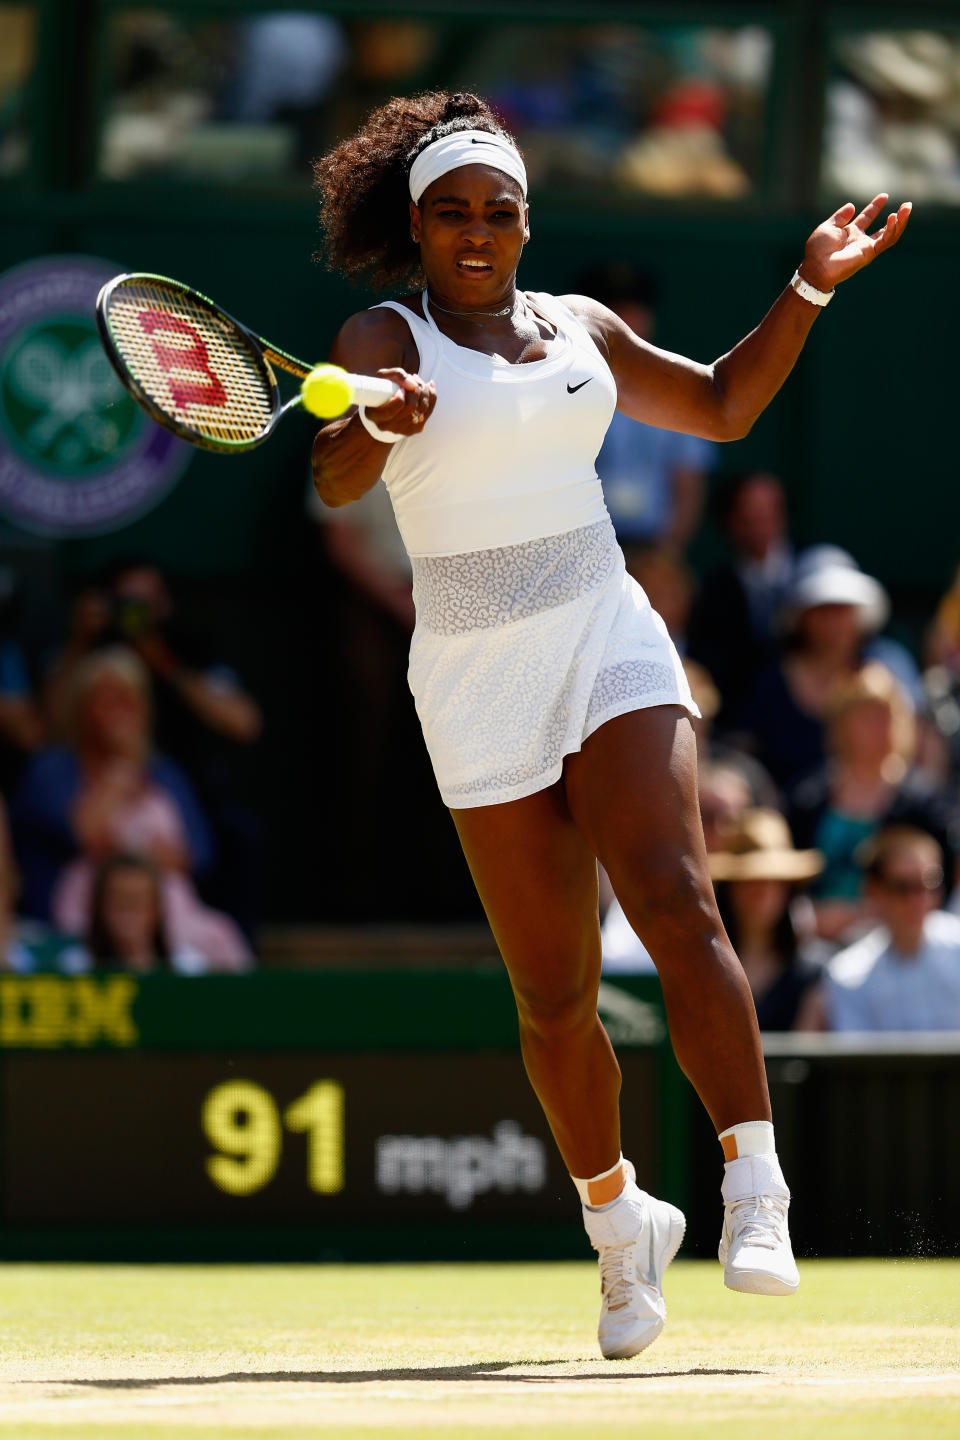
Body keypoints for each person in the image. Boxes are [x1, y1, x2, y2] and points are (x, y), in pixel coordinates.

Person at [310, 88, 910, 1358]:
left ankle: (755, 1186)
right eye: (453, 213)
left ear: (529, 224)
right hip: (472, 672)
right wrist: (375, 419)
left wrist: (807, 287)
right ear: (416, 229)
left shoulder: (580, 325)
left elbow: (725, 406)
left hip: (605, 626)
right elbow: (334, 475)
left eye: (501, 211)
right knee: (553, 999)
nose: (478, 232)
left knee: (675, 895)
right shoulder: (383, 331)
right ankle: (620, 1225)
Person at [788, 662, 956, 942]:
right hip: (813, 940)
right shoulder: (809, 798)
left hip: (896, 942)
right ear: (842, 723)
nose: (879, 726)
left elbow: (941, 880)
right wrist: (812, 916)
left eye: (886, 715)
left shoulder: (923, 804)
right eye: (867, 716)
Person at [570, 264, 715, 555]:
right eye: (614, 312)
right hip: (580, 548)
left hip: (653, 545)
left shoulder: (675, 388)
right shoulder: (564, 383)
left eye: (633, 311)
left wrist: (667, 553)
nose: (625, 322)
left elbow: (689, 483)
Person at [798, 826, 960, 1032]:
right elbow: (858, 1060)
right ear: (874, 891)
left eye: (930, 882)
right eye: (903, 887)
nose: (919, 899)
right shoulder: (848, 975)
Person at [709, 810, 830, 1031]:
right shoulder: (704, 967)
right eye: (750, 880)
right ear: (730, 890)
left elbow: (805, 1051)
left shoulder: (812, 970)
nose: (762, 892)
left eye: (774, 881)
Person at [59, 852, 212, 975]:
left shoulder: (187, 968)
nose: (127, 912)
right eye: (119, 901)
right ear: (100, 907)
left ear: (156, 909)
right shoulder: (75, 968)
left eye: (136, 901)